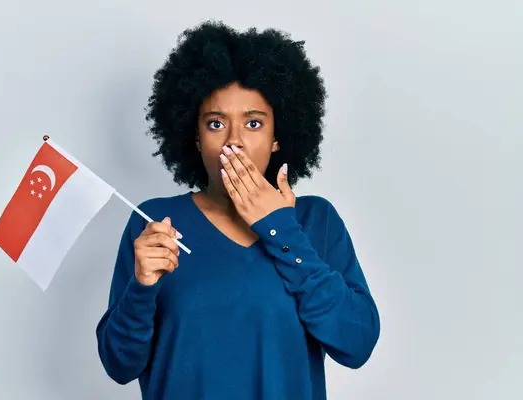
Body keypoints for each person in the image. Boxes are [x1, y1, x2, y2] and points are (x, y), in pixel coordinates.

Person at [96, 21, 380, 400]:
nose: (234, 142)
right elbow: (119, 365)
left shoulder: (315, 221)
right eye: (216, 124)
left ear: (278, 135)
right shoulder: (155, 222)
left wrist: (281, 230)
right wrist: (141, 289)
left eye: (253, 123)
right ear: (195, 136)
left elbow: (357, 344)